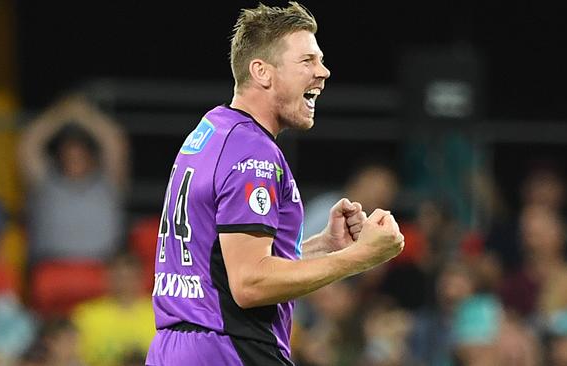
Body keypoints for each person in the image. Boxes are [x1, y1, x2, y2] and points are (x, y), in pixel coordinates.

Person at [145, 3, 405, 365]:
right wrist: (359, 258)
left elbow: (223, 262)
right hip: (229, 349)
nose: (324, 72)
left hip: (178, 349)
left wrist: (324, 247)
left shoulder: (213, 130)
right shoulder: (253, 152)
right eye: (307, 61)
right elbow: (250, 283)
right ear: (262, 72)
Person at [18, 94, 128, 264]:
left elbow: (114, 142)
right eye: (68, 155)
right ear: (59, 157)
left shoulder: (107, 183)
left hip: (102, 270)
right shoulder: (46, 182)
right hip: (51, 267)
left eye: (79, 155)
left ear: (91, 157)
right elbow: (28, 144)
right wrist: (60, 114)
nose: (74, 160)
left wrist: (84, 115)